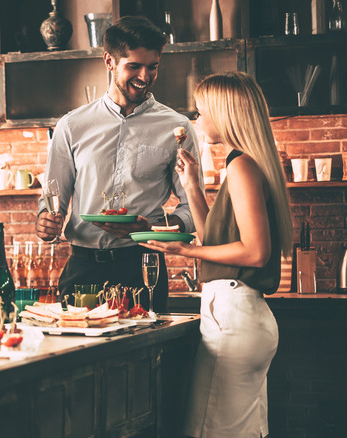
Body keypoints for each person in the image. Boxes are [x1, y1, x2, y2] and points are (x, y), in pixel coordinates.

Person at [141, 71, 292, 437]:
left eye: (202, 111)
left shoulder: (241, 165)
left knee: (208, 430)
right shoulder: (247, 163)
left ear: (225, 113)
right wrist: (193, 185)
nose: (197, 120)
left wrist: (184, 248)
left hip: (234, 318)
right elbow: (215, 239)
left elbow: (256, 252)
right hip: (243, 317)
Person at [35, 16, 202, 313]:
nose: (145, 76)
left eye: (153, 66)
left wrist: (152, 227)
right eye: (134, 66)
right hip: (82, 269)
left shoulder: (176, 128)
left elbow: (192, 208)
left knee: (146, 358)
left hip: (142, 266)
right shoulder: (71, 125)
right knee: (78, 356)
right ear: (109, 61)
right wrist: (46, 222)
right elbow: (52, 201)